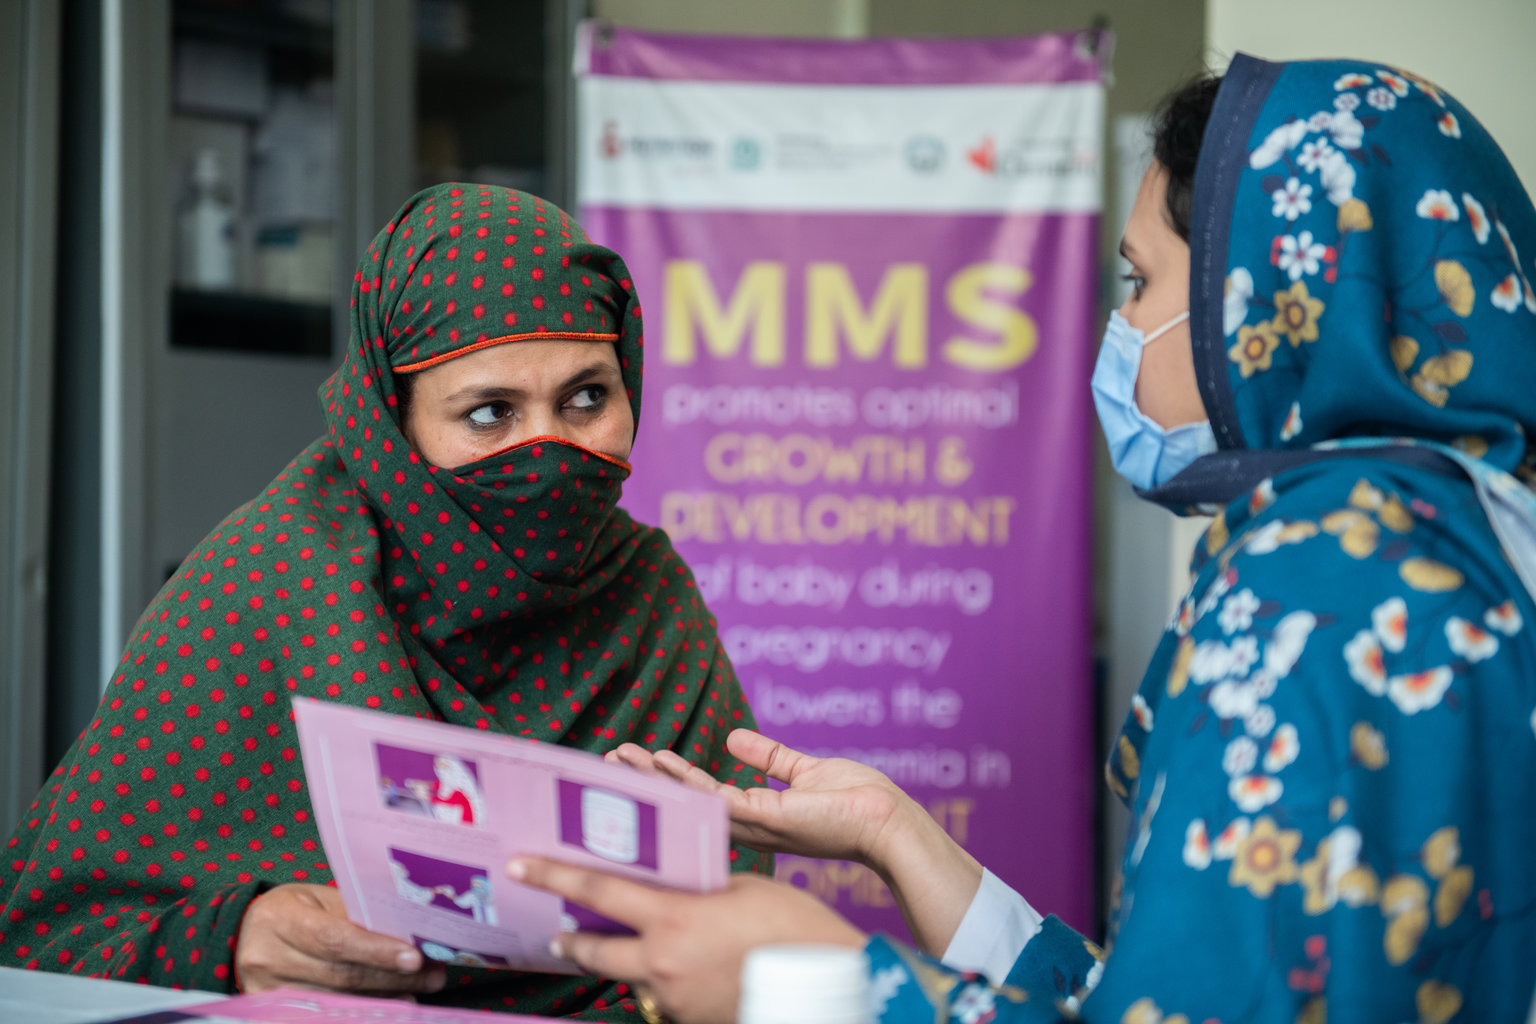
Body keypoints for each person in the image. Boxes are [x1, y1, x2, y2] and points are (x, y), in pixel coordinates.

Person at [505, 53, 1536, 1023]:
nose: (1120, 334)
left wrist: (814, 983)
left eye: (1140, 285)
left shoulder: (1319, 578)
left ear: (1268, 297)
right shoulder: (1452, 552)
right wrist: (892, 832)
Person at [0, 182, 770, 1018]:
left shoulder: (647, 593)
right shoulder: (266, 586)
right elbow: (42, 944)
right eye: (489, 413)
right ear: (392, 427)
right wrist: (230, 941)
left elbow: (739, 925)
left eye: (587, 397)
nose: (550, 453)